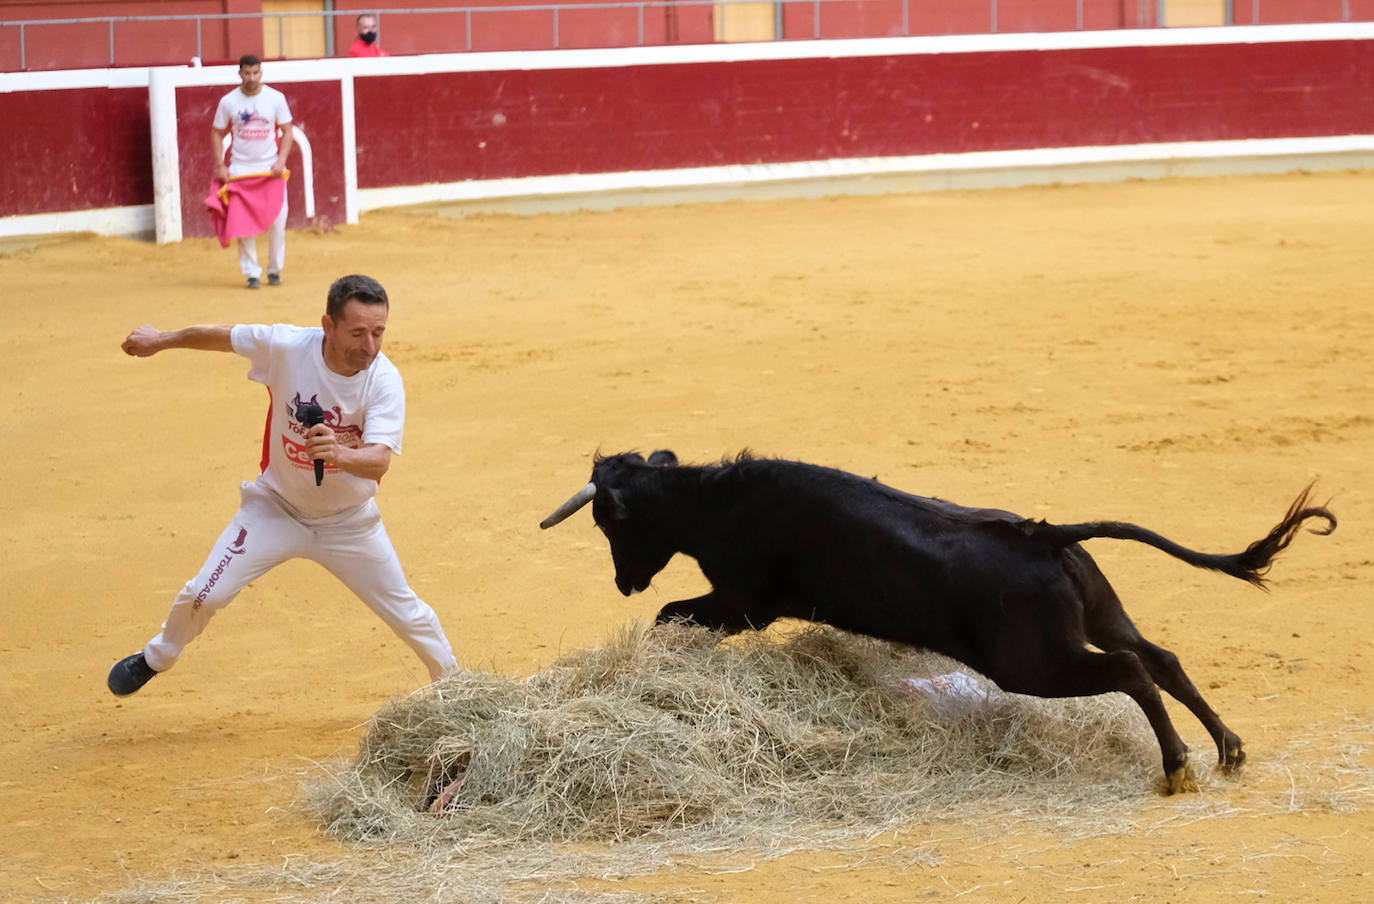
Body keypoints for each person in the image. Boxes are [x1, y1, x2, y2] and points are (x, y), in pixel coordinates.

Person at [108, 274, 459, 696]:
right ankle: (157, 656)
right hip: (275, 509)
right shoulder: (288, 347)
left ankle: (458, 691)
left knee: (409, 615)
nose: (370, 346)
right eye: (358, 333)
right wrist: (162, 339)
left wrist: (340, 454)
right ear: (327, 326)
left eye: (378, 332)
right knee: (205, 593)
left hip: (349, 524)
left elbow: (379, 459)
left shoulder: (384, 380)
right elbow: (224, 337)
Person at [211, 54, 294, 289]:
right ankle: (252, 273)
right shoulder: (229, 101)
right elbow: (216, 132)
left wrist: (281, 161)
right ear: (240, 74)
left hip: (270, 169)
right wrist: (220, 164)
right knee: (243, 223)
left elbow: (287, 131)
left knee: (278, 220)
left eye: (255, 72)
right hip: (241, 169)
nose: (251, 78)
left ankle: (275, 269)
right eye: (247, 73)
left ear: (261, 73)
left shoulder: (276, 98)